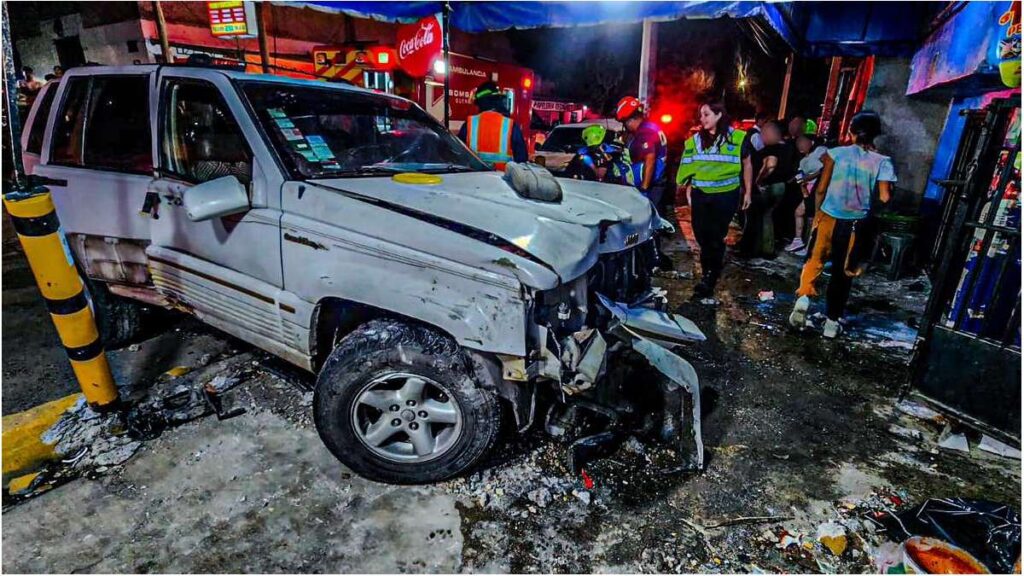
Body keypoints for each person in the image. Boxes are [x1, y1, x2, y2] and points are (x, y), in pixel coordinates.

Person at [788, 110, 896, 338]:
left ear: (851, 131)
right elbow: (885, 197)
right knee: (843, 272)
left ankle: (804, 299)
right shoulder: (883, 162)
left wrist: (818, 214)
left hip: (828, 217)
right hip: (857, 223)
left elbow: (820, 188)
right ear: (876, 135)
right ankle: (831, 323)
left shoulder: (835, 154)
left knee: (814, 260)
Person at [676, 101, 748, 299]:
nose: (702, 119)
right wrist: (686, 186)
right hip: (701, 194)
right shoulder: (696, 140)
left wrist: (748, 191)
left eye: (706, 114)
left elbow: (747, 162)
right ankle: (709, 270)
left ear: (718, 115)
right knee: (701, 234)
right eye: (701, 115)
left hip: (726, 195)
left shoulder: (738, 138)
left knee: (715, 237)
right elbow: (688, 165)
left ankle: (709, 276)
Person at [739, 120, 794, 258]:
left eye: (764, 134)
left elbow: (770, 164)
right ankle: (767, 249)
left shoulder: (772, 149)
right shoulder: (788, 147)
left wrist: (758, 180)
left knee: (754, 217)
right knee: (767, 216)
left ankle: (750, 249)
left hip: (769, 186)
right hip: (782, 186)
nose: (762, 137)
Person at [458, 81, 528, 170]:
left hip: (473, 179)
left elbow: (458, 154)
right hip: (502, 180)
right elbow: (521, 160)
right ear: (497, 101)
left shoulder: (469, 124)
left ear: (480, 103)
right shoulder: (510, 125)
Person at [615, 96, 668, 206]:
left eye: (624, 123)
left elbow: (650, 160)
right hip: (659, 181)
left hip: (652, 186)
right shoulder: (651, 126)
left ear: (630, 120)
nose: (625, 127)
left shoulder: (645, 132)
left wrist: (644, 189)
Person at [785, 128, 828, 255]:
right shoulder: (802, 161)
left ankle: (810, 248)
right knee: (799, 212)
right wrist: (802, 186)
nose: (800, 145)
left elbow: (823, 170)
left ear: (812, 142)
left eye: (803, 142)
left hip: (821, 191)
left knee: (813, 219)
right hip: (809, 192)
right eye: (798, 143)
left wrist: (806, 178)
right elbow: (800, 177)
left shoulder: (821, 151)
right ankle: (798, 241)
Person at [565, 124, 634, 186]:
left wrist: (590, 164)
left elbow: (600, 175)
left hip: (613, 186)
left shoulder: (607, 152)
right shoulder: (586, 151)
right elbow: (569, 172)